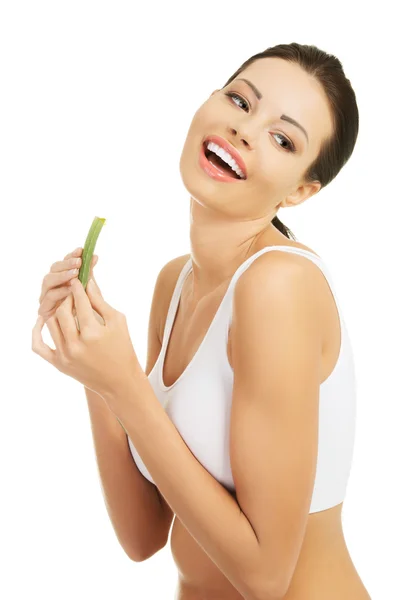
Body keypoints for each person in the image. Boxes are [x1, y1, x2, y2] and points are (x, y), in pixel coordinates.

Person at [38, 42, 371, 599]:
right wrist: (97, 377)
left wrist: (124, 382)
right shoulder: (175, 283)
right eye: (241, 101)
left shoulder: (278, 287)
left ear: (300, 191)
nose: (245, 130)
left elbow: (266, 579)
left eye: (283, 138)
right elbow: (144, 534)